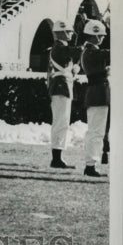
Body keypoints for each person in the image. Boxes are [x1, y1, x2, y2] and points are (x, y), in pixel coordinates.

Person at [46, 20, 80, 169]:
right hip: (61, 88)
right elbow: (73, 52)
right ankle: (56, 159)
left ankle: (58, 157)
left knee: (62, 122)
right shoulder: (59, 47)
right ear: (63, 32)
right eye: (69, 31)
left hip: (63, 87)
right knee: (61, 122)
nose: (72, 34)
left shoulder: (60, 47)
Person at [80, 19, 110, 178]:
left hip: (97, 93)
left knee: (96, 131)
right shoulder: (92, 51)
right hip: (98, 93)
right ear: (95, 36)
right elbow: (108, 54)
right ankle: (91, 165)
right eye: (101, 35)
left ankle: (92, 163)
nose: (103, 38)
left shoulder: (89, 50)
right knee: (96, 132)